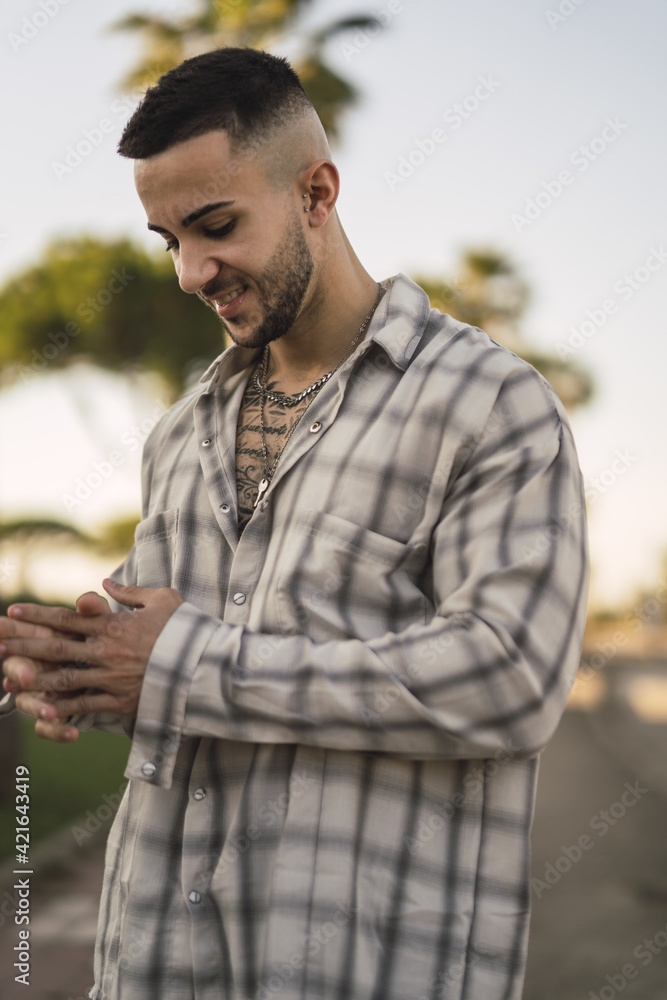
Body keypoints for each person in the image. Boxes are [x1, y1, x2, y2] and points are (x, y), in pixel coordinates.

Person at [0, 47, 589, 1000]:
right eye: (167, 240)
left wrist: (182, 664)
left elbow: (509, 681)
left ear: (317, 192)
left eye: (216, 225)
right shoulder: (179, 434)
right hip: (151, 963)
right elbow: (189, 684)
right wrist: (93, 673)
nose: (192, 271)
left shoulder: (489, 406)